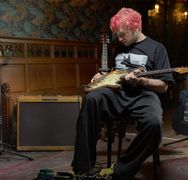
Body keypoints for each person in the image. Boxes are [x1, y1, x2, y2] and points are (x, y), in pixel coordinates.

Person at [71, 7, 174, 179]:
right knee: (91, 99)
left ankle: (121, 169)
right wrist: (102, 78)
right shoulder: (119, 47)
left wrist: (142, 81)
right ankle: (83, 167)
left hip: (144, 95)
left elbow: (163, 86)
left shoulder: (157, 48)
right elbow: (114, 73)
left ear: (136, 28)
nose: (118, 38)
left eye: (122, 34)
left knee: (154, 124)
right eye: (116, 34)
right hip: (116, 93)